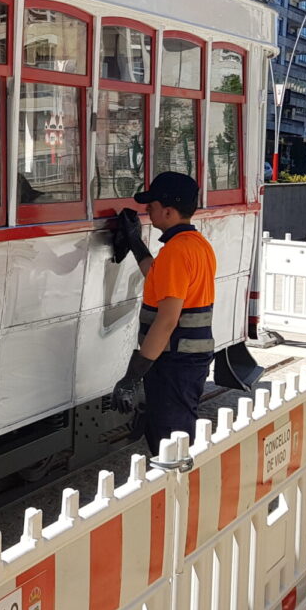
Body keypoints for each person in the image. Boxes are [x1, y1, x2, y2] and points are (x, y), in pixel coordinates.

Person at [107, 171, 218, 451]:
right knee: (173, 433)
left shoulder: (176, 253)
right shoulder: (197, 245)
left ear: (168, 211)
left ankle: (180, 493)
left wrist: (131, 377)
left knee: (170, 442)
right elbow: (156, 277)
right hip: (186, 360)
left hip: (174, 363)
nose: (147, 211)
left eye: (152, 206)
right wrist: (134, 242)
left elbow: (167, 320)